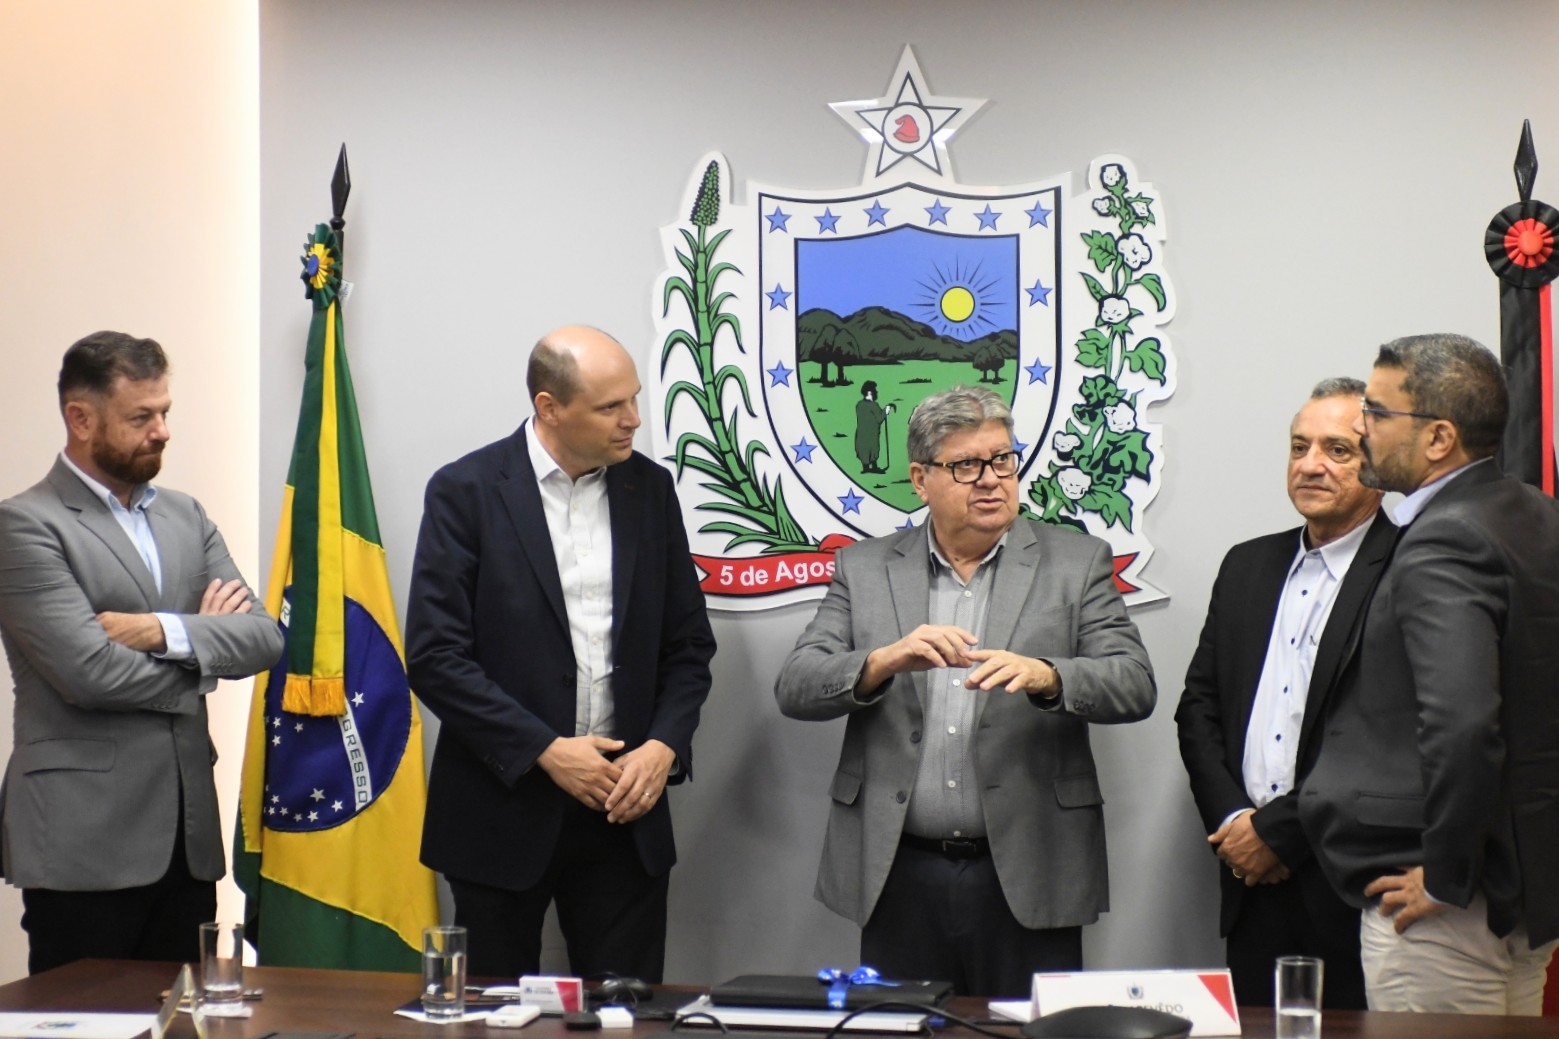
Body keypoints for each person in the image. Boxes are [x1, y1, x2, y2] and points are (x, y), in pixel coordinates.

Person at [774, 385, 1154, 997]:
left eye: (1002, 460)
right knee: (904, 1029)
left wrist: (1049, 676)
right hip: (899, 871)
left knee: (1029, 1031)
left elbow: (1134, 683)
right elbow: (796, 685)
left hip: (1031, 864)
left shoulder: (1077, 563)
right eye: (967, 466)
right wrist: (882, 662)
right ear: (920, 479)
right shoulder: (865, 569)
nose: (991, 480)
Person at [406, 324, 715, 981]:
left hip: (625, 810)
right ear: (549, 407)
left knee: (627, 1016)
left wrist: (663, 746)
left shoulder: (649, 490)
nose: (634, 419)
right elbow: (435, 656)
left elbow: (688, 645)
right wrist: (545, 750)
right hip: (501, 807)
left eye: (634, 398)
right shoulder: (466, 490)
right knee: (493, 1017)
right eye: (611, 407)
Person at [0, 331, 283, 975]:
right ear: (81, 419)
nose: (162, 431)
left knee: (185, 1016)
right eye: (141, 417)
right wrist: (206, 656)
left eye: (165, 412)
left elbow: (264, 638)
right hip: (83, 844)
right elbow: (89, 673)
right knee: (86, 1018)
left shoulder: (187, 516)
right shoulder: (24, 524)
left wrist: (159, 631)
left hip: (187, 843)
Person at [1300, 334, 1559, 1014]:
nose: (1361, 427)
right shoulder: (1537, 515)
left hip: (1443, 911)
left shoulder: (1445, 537)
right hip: (1522, 887)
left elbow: (1463, 721)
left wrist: (1444, 873)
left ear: (1439, 437)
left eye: (1376, 411)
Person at [1175, 378, 1392, 1009]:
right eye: (1299, 447)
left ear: (1379, 463)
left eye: (1337, 450)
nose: (1310, 464)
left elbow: (1385, 738)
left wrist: (1277, 833)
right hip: (1249, 882)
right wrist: (1234, 823)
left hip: (1353, 887)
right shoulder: (1247, 566)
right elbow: (1199, 709)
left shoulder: (1409, 569)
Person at [854, 381, 895, 473]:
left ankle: (866, 467)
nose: (876, 392)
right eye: (874, 390)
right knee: (872, 449)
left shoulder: (859, 405)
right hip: (871, 434)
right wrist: (887, 409)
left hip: (861, 434)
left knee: (864, 450)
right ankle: (873, 467)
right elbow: (879, 418)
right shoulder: (873, 405)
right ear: (869, 392)